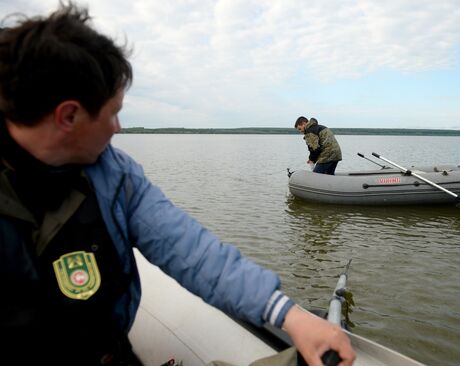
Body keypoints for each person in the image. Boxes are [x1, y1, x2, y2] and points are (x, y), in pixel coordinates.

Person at [0, 4, 355, 366]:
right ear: (69, 116)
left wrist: (288, 315)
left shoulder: (115, 173)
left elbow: (191, 250)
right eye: (113, 113)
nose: (119, 127)